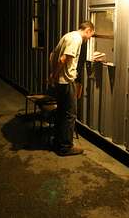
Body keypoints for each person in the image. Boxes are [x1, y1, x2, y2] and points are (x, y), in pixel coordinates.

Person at [49, 21, 95, 156]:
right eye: (90, 35)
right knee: (70, 114)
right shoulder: (76, 39)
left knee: (61, 112)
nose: (89, 39)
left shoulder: (68, 36)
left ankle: (58, 142)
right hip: (66, 82)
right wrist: (54, 75)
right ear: (87, 30)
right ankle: (65, 147)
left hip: (60, 82)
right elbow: (63, 59)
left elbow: (52, 55)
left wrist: (54, 75)